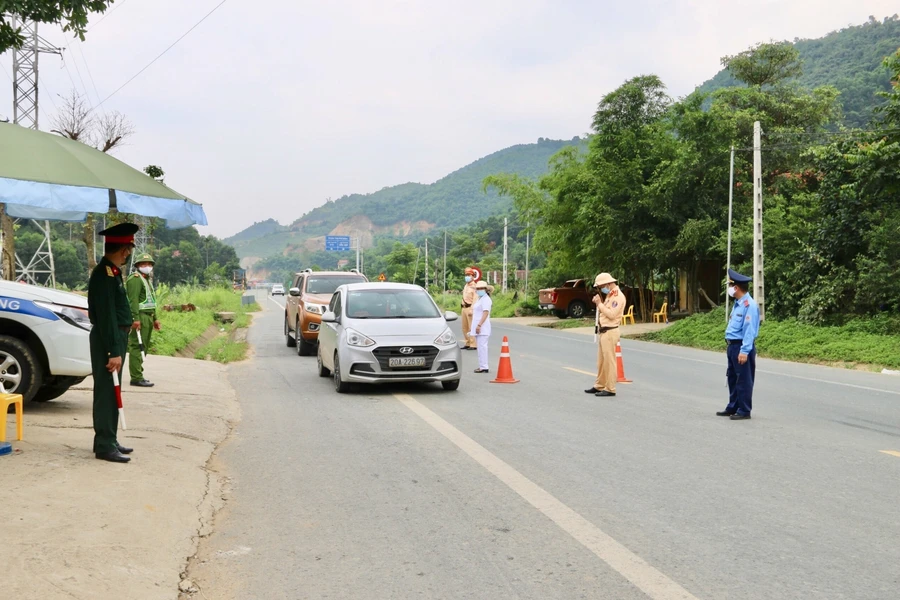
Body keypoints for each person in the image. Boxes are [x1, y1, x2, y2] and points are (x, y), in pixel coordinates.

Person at [88, 223, 138, 463]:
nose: (128, 254)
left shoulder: (112, 272)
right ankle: (104, 445)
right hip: (109, 338)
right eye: (128, 249)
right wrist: (113, 351)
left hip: (116, 335)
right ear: (125, 250)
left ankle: (110, 438)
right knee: (108, 391)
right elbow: (107, 316)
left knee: (113, 389)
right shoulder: (104, 275)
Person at [717, 268, 760, 420]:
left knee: (743, 379)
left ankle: (744, 410)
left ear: (736, 288)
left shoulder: (749, 305)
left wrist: (745, 350)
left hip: (741, 346)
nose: (728, 289)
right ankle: (733, 406)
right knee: (733, 378)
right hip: (732, 346)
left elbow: (749, 330)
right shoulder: (738, 304)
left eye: (730, 286)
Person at [585, 273, 625, 397]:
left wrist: (599, 304)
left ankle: (610, 388)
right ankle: (599, 385)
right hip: (604, 331)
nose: (601, 289)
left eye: (601, 286)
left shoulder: (618, 296)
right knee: (601, 362)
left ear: (608, 283)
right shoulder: (610, 295)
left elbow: (611, 314)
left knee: (609, 361)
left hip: (610, 331)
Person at [126, 253, 161, 387]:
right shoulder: (135, 279)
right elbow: (133, 300)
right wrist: (135, 319)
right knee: (137, 346)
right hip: (140, 317)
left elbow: (151, 301)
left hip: (148, 317)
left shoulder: (146, 279)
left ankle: (139, 373)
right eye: (143, 264)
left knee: (144, 346)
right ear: (138, 266)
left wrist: (155, 318)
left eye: (149, 264)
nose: (147, 266)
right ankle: (136, 377)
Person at [470, 280, 493, 373]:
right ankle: (482, 365)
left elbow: (485, 312)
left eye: (480, 289)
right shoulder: (480, 299)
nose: (478, 290)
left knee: (482, 347)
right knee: (480, 347)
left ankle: (484, 366)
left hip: (483, 327)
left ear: (485, 289)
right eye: (477, 289)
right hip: (478, 326)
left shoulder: (486, 299)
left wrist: (479, 325)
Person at [460, 267, 478, 350]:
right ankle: (467, 342)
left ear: (472, 276)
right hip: (463, 308)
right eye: (466, 275)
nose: (467, 276)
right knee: (464, 327)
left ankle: (473, 344)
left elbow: (475, 299)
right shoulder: (466, 286)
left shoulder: (474, 286)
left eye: (468, 275)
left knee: (471, 327)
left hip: (470, 307)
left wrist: (472, 309)